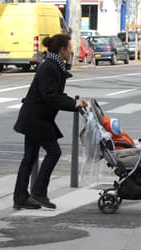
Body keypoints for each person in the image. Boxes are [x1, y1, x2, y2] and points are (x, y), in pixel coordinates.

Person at [12, 34, 88, 209]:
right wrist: (74, 104)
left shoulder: (53, 65)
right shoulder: (49, 67)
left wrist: (75, 102)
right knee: (53, 152)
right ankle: (38, 192)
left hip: (36, 117)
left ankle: (21, 197)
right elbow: (50, 96)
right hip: (36, 118)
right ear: (62, 50)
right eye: (69, 48)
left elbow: (55, 94)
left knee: (29, 158)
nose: (71, 51)